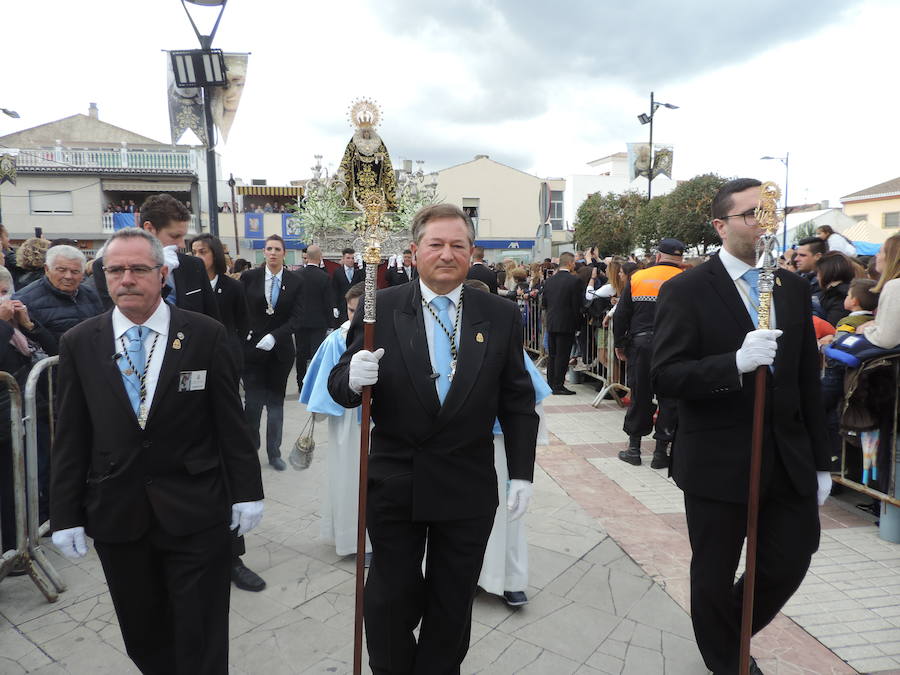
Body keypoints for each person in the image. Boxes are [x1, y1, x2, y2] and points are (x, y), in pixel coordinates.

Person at [328, 203, 539, 673]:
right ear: (415, 250)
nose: (447, 254)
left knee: (452, 601)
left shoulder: (499, 313)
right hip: (396, 480)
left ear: (471, 252)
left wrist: (521, 474)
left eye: (457, 245)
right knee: (389, 599)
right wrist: (352, 377)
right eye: (436, 244)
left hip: (466, 484)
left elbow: (517, 400)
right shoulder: (379, 307)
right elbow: (340, 386)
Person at [50, 227, 264, 675]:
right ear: (103, 276)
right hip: (118, 511)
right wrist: (65, 512)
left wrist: (247, 490)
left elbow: (230, 419)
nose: (126, 279)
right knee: (143, 634)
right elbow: (71, 434)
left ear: (162, 273)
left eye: (138, 269)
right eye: (115, 270)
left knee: (201, 635)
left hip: (195, 508)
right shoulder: (80, 342)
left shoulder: (204, 334)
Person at [651, 178, 832, 675]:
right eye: (750, 214)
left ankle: (724, 630)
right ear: (720, 225)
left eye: (768, 214)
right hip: (717, 455)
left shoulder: (792, 287)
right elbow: (665, 373)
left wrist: (821, 460)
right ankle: (727, 661)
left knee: (792, 555)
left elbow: (803, 380)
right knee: (714, 567)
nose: (762, 224)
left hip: (787, 453)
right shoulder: (686, 289)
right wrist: (732, 363)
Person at [465, 278, 552, 608]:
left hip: (499, 444)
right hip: (457, 444)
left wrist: (524, 468)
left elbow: (529, 400)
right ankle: (468, 576)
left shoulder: (506, 344)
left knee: (507, 517)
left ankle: (511, 580)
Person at [299, 282, 372, 561]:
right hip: (346, 421)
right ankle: (352, 539)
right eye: (351, 310)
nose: (354, 319)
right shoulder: (337, 339)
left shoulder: (383, 333)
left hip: (380, 422)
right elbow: (322, 380)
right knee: (349, 480)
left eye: (360, 312)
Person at [614, 238, 685, 468]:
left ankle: (634, 448)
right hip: (674, 347)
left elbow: (621, 315)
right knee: (670, 398)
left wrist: (620, 343)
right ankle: (660, 453)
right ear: (681, 258)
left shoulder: (638, 277)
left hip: (642, 345)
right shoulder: (686, 280)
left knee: (640, 394)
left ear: (657, 256)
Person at [93, 194, 219, 322]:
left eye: (183, 237)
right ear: (149, 229)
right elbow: (121, 318)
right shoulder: (107, 267)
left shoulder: (193, 265)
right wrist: (157, 275)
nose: (182, 244)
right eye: (175, 236)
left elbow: (212, 316)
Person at [240, 234, 303, 471]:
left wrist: (275, 336)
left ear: (284, 253)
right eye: (269, 248)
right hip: (253, 350)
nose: (273, 252)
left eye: (277, 249)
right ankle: (250, 448)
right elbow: (241, 308)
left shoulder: (296, 281)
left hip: (280, 351)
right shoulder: (249, 277)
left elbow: (297, 318)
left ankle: (274, 452)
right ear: (264, 252)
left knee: (275, 404)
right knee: (253, 403)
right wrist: (244, 331)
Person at [13, 245, 103, 341]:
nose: (68, 276)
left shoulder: (93, 295)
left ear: (82, 273)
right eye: (61, 270)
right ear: (47, 269)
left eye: (75, 271)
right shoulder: (24, 301)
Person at [541, 251, 584, 395]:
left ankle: (551, 383)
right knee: (563, 355)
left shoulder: (549, 280)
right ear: (571, 263)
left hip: (552, 321)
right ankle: (558, 385)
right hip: (567, 322)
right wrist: (578, 325)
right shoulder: (575, 281)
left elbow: (544, 302)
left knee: (552, 354)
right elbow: (577, 305)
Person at [294, 244, 334, 393]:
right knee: (317, 354)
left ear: (307, 257)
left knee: (301, 354)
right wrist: (331, 323)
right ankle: (315, 384)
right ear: (319, 257)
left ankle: (301, 385)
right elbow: (327, 302)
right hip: (319, 322)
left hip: (300, 322)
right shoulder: (324, 277)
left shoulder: (297, 274)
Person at [859, 233, 900, 349]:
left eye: (881, 251)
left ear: (892, 257)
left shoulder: (895, 286)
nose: (876, 255)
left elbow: (885, 340)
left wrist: (866, 329)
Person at [815, 251, 855, 328]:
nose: (817, 277)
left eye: (818, 272)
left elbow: (831, 327)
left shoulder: (839, 296)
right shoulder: (845, 291)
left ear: (826, 272)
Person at [332, 247, 364, 324]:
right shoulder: (338, 272)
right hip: (342, 305)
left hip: (356, 304)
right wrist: (334, 306)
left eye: (352, 258)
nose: (350, 260)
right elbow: (334, 290)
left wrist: (361, 267)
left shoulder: (358, 271)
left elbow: (364, 283)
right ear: (343, 259)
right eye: (348, 258)